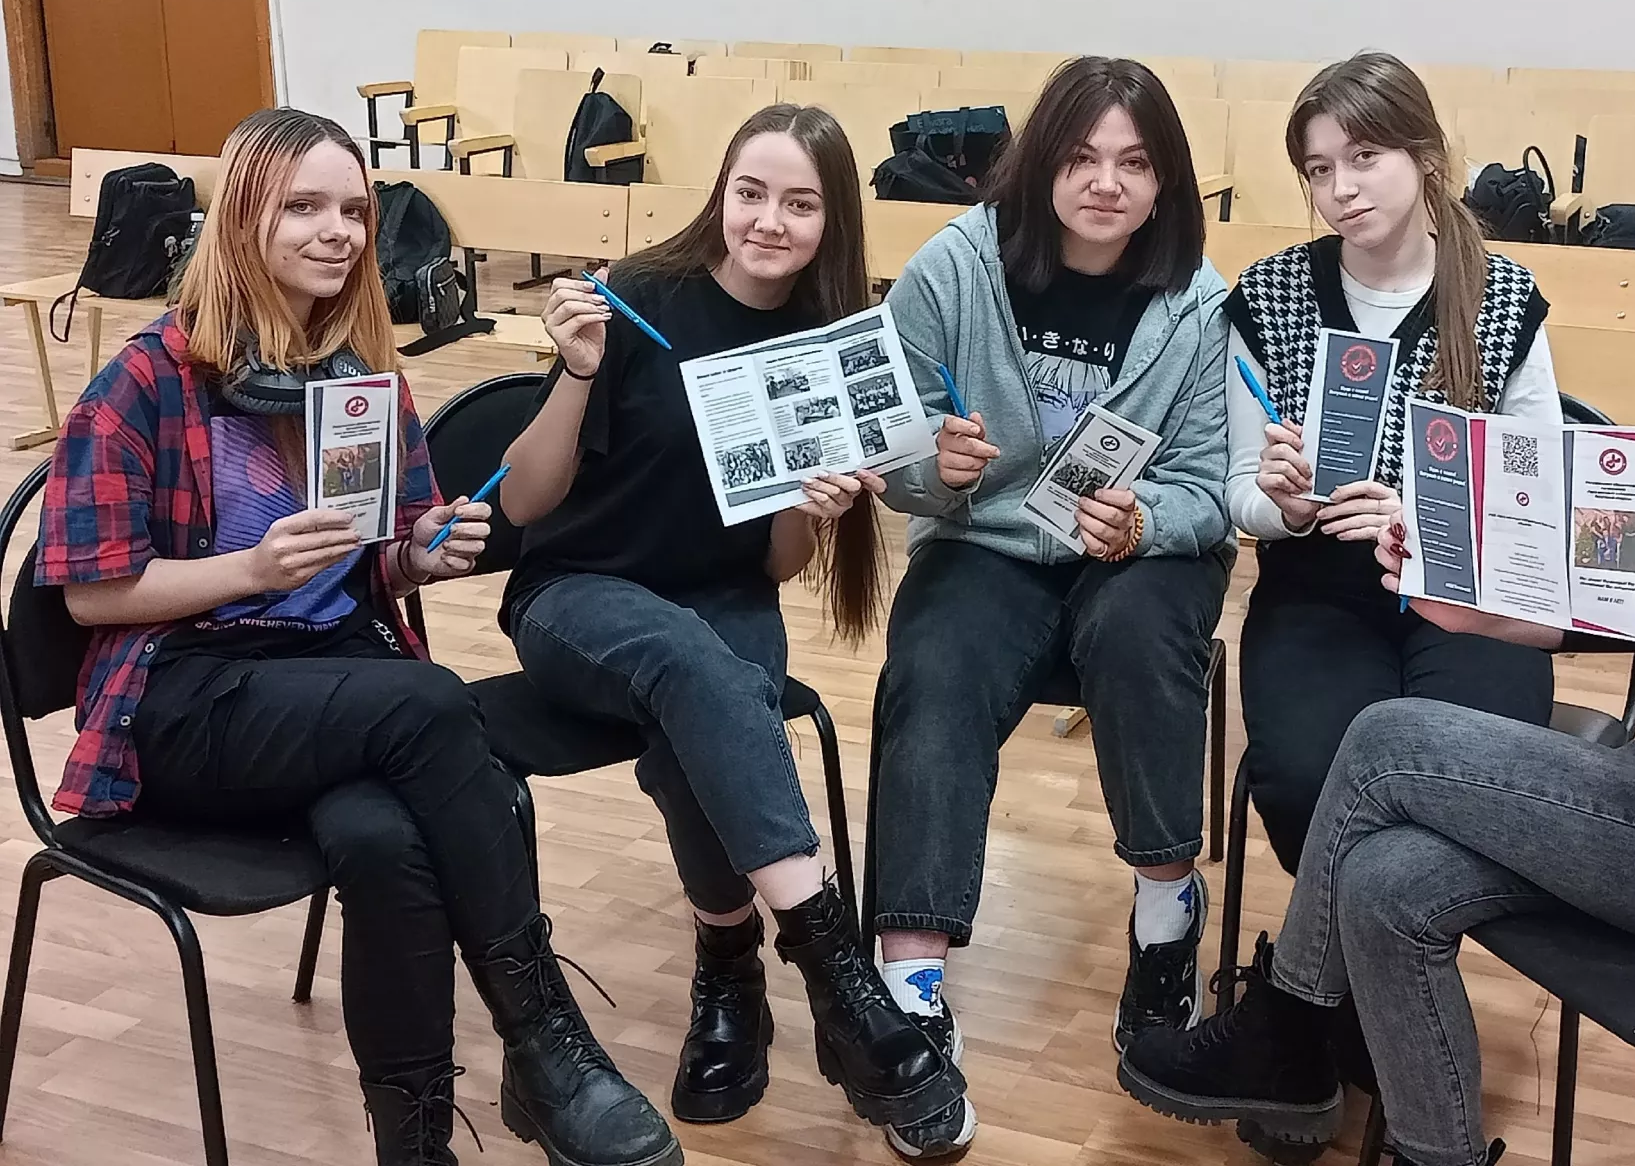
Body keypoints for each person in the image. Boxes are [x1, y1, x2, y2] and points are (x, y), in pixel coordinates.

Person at [1119, 60, 1635, 1166]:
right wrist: (1484, 615)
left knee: (1384, 739)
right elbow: (1627, 595)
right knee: (1381, 881)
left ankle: (1285, 1027)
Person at [35, 108, 681, 1166]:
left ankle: (414, 1143)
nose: (336, 231)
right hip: (183, 697)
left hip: (329, 687)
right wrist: (250, 571)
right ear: (242, 218)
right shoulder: (143, 383)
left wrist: (416, 555)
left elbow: (374, 563)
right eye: (303, 207)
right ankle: (544, 1040)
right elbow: (91, 601)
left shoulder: (357, 380)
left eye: (352, 210)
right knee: (434, 703)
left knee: (383, 838)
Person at [497, 103, 968, 1149]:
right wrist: (576, 370)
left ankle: (729, 968)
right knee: (694, 667)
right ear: (720, 193)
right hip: (579, 592)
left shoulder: (824, 346)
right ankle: (837, 973)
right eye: (749, 193)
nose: (767, 221)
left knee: (711, 702)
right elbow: (523, 504)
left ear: (831, 222)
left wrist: (813, 505)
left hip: (722, 594)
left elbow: (774, 566)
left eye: (799, 203)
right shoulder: (634, 299)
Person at [873, 56, 1232, 1158]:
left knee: (1136, 637)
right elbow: (886, 449)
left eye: (1134, 163)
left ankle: (1165, 917)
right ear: (1038, 164)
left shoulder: (1197, 304)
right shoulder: (952, 270)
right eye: (1081, 157)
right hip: (986, 540)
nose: (1105, 183)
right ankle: (910, 987)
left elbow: (1210, 486)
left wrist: (1146, 521)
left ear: (1165, 182)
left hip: (1138, 548)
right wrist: (932, 469)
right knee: (932, 665)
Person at [1224, 52, 1560, 888]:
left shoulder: (1502, 297)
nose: (1342, 188)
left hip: (1471, 594)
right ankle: (1351, 954)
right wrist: (1282, 506)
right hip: (1317, 592)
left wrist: (1422, 519)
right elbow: (1237, 492)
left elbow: (1536, 497)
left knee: (1468, 777)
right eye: (1319, 169)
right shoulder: (1269, 295)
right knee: (1308, 781)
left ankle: (1385, 943)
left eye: (1365, 157)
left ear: (1425, 157)